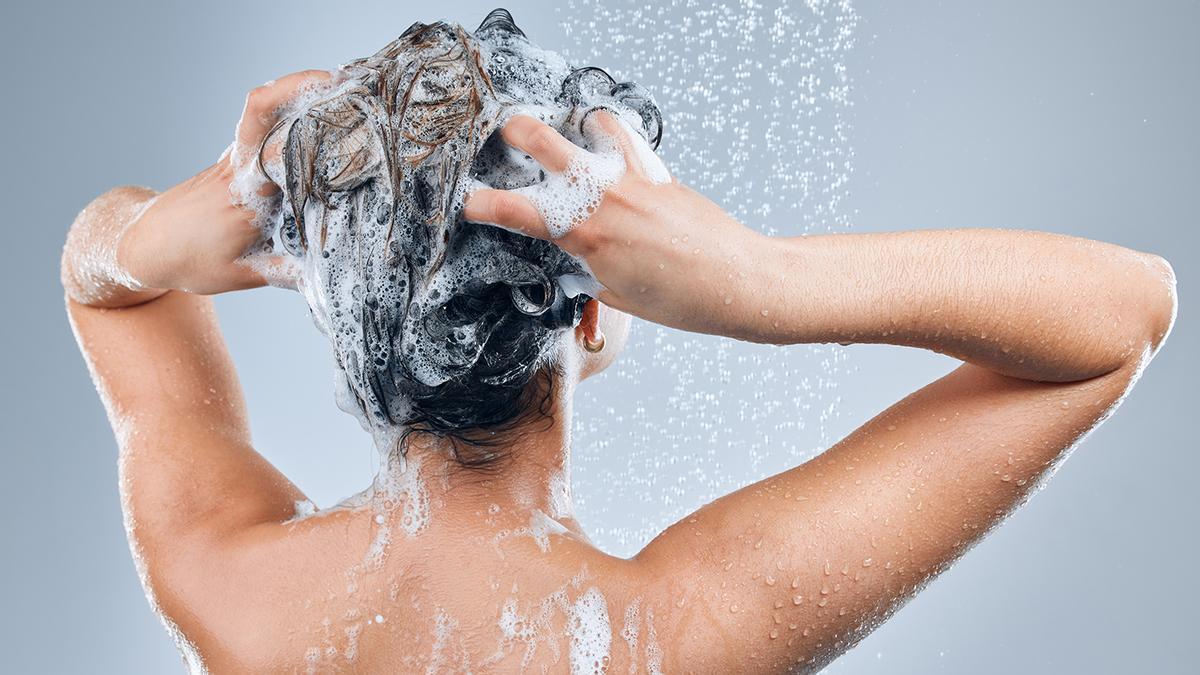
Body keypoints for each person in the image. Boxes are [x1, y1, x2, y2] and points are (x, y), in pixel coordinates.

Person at [62, 40, 1176, 675]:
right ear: (592, 316)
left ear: (345, 322)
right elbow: (1119, 321)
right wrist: (761, 278)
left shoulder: (225, 575)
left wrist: (166, 228)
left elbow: (99, 280)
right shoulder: (668, 637)